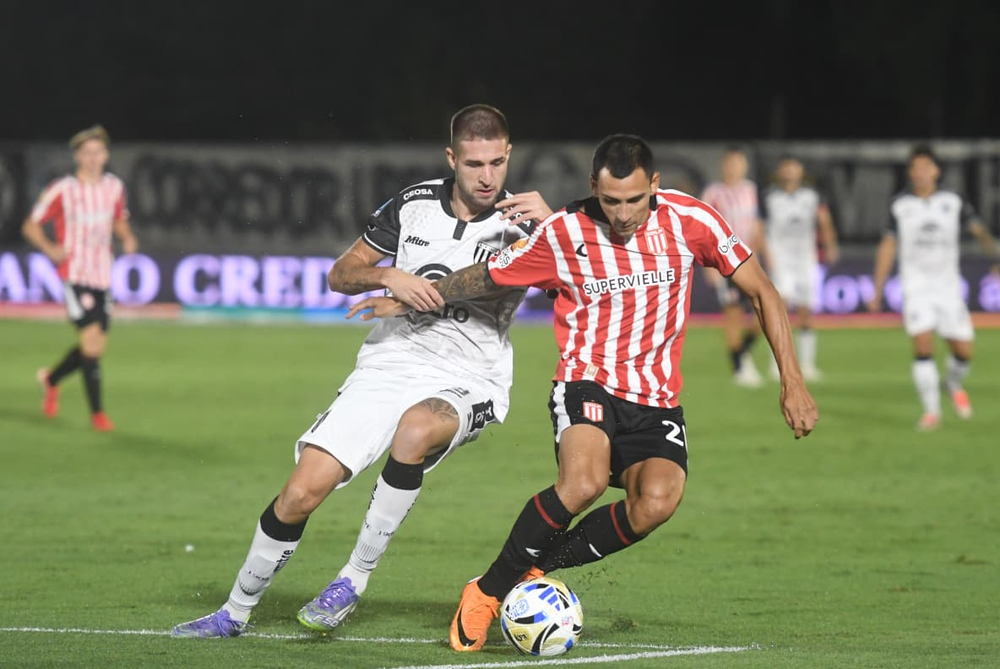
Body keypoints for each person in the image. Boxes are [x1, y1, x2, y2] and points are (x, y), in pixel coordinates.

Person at [346, 133, 819, 652]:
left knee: (656, 503)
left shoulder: (691, 220)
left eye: (634, 200)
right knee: (584, 482)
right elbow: (489, 274)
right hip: (585, 379)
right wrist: (414, 297)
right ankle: (485, 592)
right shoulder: (564, 231)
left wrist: (792, 383)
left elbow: (762, 290)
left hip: (656, 397)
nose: (622, 214)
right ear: (594, 186)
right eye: (611, 200)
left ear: (654, 185)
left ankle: (536, 570)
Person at [171, 104, 553, 638]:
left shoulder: (528, 224)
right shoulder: (415, 204)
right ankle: (233, 612)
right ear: (452, 158)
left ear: (509, 155)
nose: (487, 177)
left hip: (471, 374)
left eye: (496, 163)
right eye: (473, 164)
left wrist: (556, 227)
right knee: (302, 491)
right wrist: (390, 276)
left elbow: (568, 283)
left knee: (416, 429)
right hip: (391, 361)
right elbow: (341, 273)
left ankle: (352, 579)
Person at [868, 144, 999, 431]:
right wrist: (877, 290)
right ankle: (931, 412)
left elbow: (979, 231)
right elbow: (888, 246)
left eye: (927, 167)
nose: (921, 173)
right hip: (915, 287)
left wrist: (995, 259)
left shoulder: (954, 200)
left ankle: (951, 383)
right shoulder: (899, 205)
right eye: (916, 168)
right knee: (923, 346)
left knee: (963, 352)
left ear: (936, 171)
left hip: (948, 288)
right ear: (910, 172)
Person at [22, 124, 138, 432]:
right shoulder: (63, 189)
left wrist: (127, 237)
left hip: (103, 274)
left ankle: (51, 379)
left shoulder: (114, 187)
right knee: (90, 340)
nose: (92, 158)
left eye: (97, 152)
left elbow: (118, 220)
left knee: (95, 347)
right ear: (77, 156)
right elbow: (31, 225)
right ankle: (97, 414)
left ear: (106, 155)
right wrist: (49, 248)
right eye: (86, 152)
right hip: (74, 274)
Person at [759, 154, 839, 381]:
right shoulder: (770, 198)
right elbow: (761, 229)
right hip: (781, 260)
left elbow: (824, 221)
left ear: (801, 172)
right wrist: (767, 256)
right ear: (780, 172)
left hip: (806, 260)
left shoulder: (812, 197)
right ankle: (778, 364)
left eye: (794, 168)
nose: (790, 173)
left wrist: (830, 245)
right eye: (786, 168)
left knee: (806, 312)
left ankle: (807, 364)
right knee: (779, 310)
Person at [700, 146, 768, 387]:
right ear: (723, 166)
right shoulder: (713, 193)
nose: (734, 168)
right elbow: (703, 230)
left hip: (749, 261)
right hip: (724, 263)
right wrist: (708, 265)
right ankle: (739, 367)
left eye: (739, 163)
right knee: (733, 315)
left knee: (765, 311)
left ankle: (744, 353)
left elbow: (757, 225)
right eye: (730, 163)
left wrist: (762, 255)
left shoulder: (751, 190)